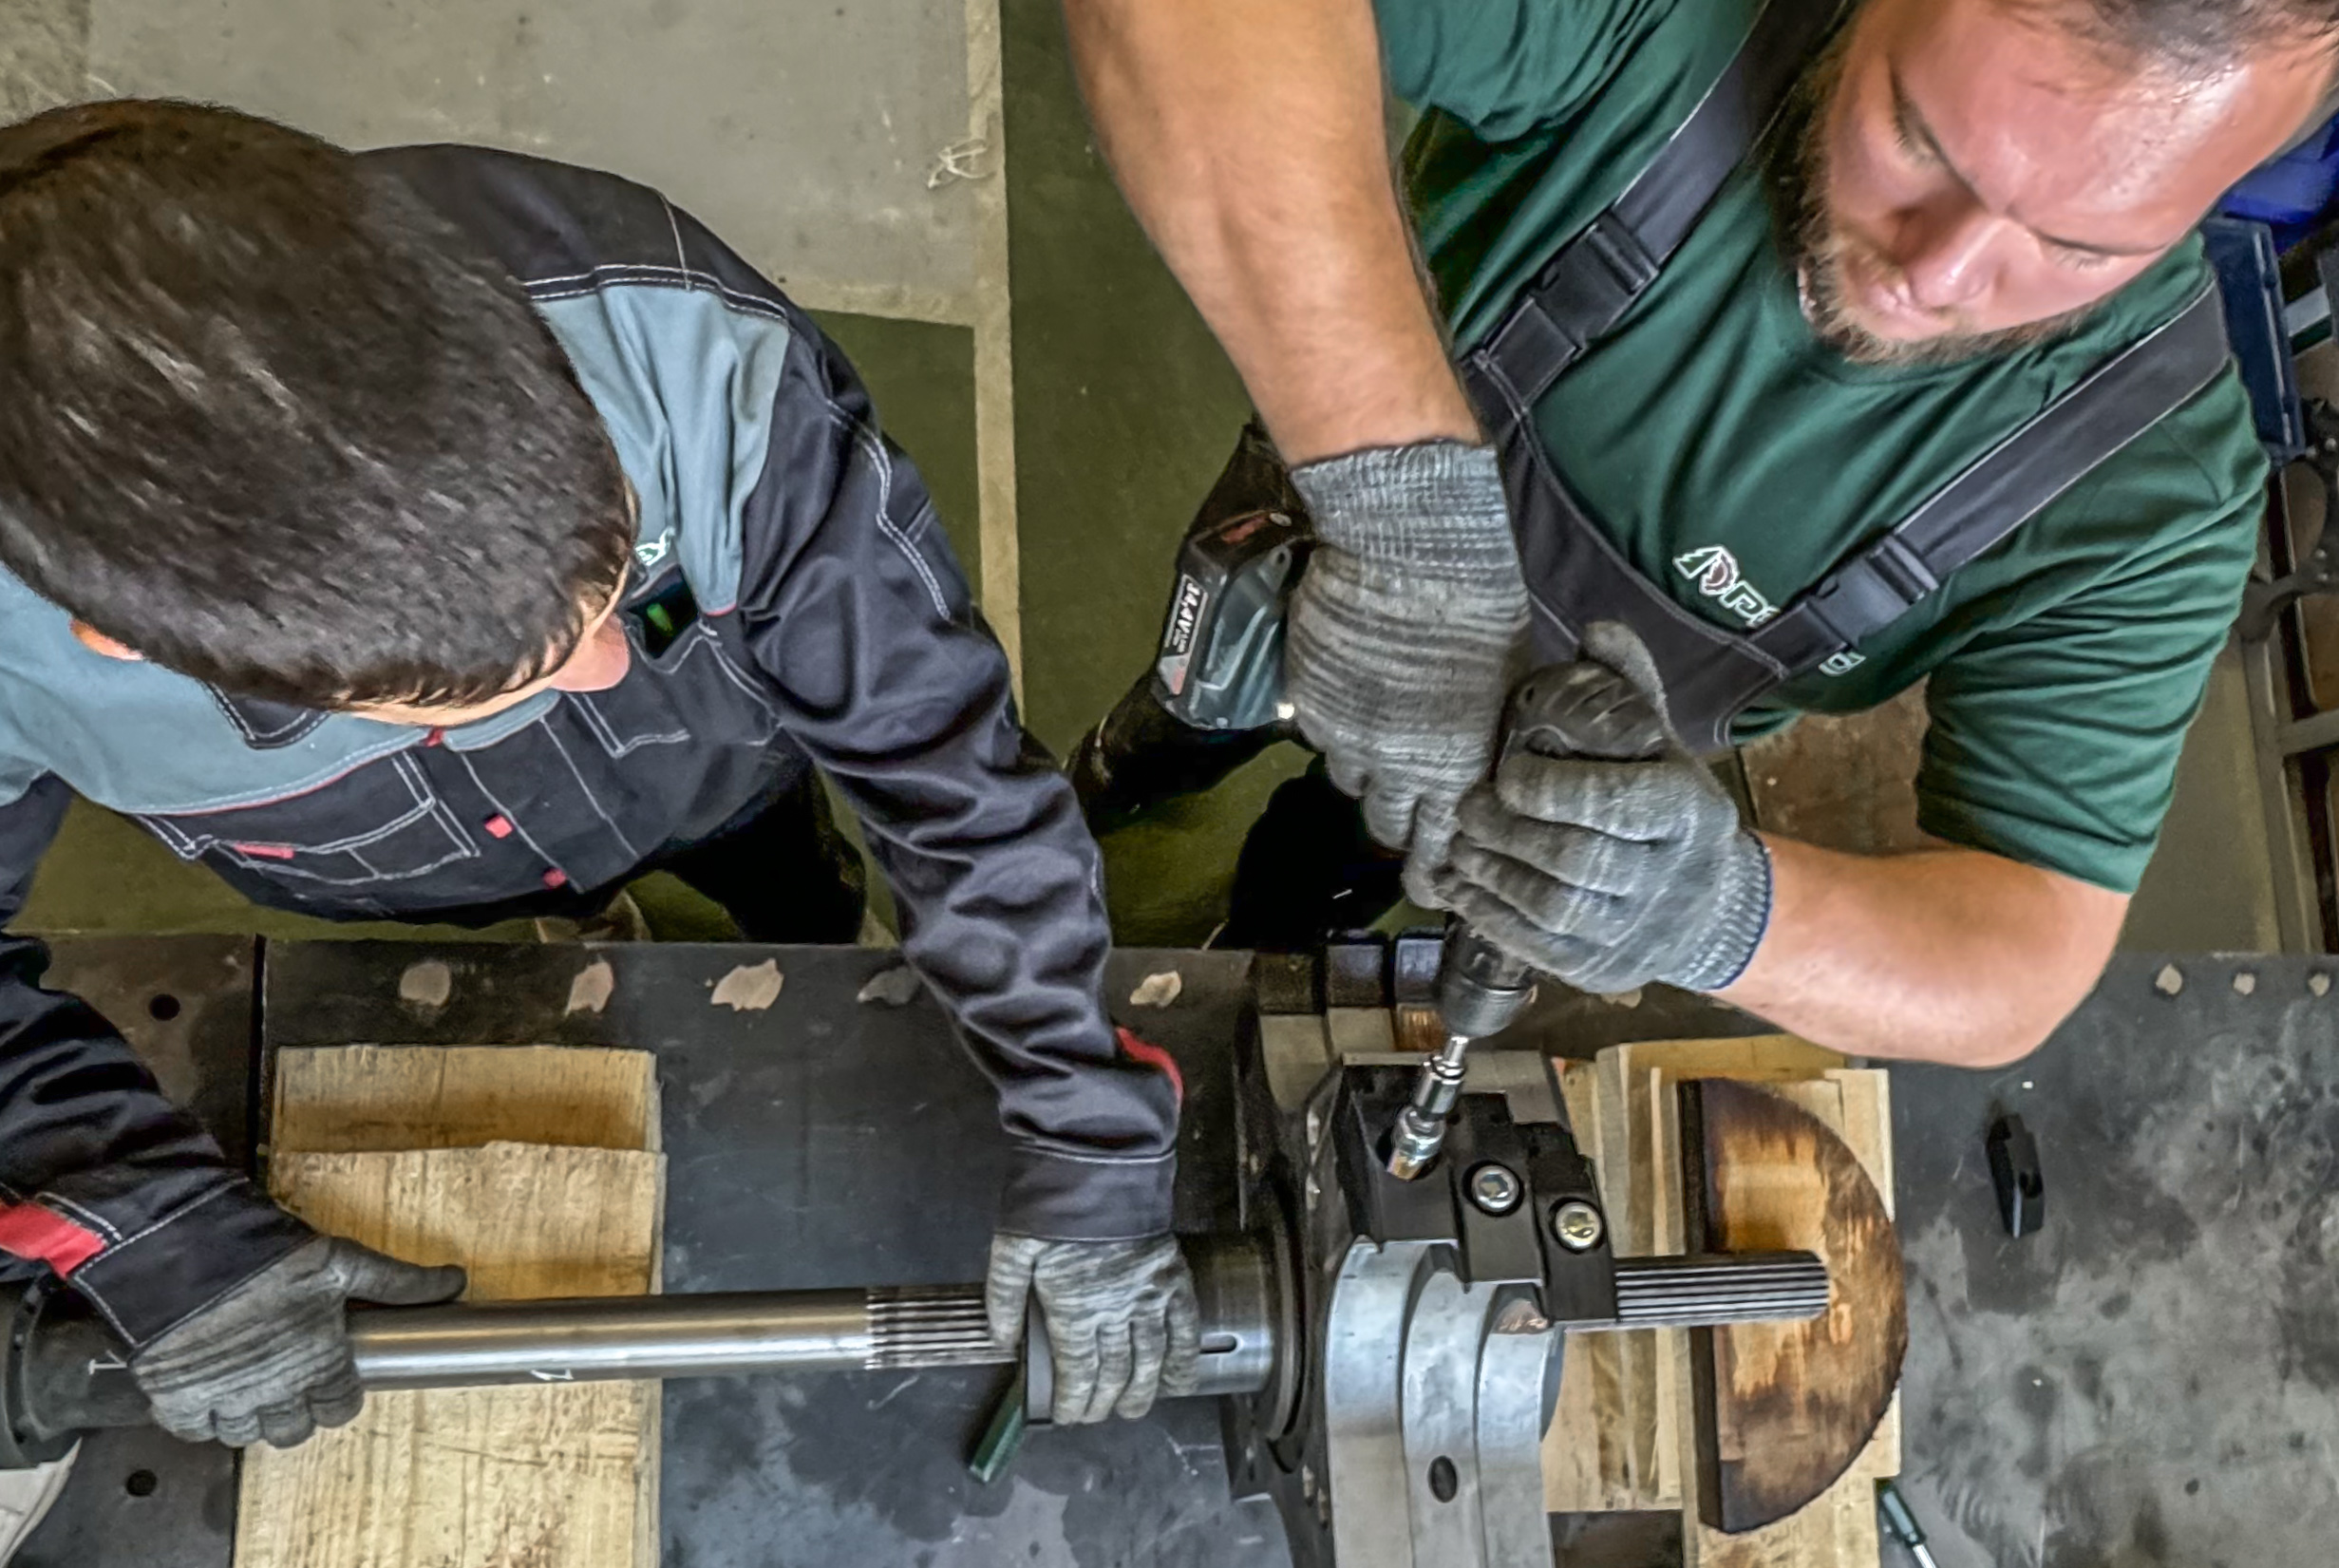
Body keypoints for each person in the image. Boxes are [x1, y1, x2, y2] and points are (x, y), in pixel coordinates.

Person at [0, 100, 1198, 1451]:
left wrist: (1085, 1124)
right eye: (487, 684)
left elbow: (941, 759)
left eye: (620, 573)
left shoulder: (678, 344)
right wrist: (152, 1226)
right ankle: (574, 916)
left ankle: (804, 914)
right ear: (127, 640)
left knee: (789, 875)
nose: (612, 664)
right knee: (524, 910)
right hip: (391, 867)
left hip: (721, 776)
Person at [1064, 0, 2329, 1065]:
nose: (1934, 276)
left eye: (2075, 249)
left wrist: (1716, 913)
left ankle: (1274, 915)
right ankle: (1127, 772)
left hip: (1528, 791)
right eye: (1920, 140)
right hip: (1323, 528)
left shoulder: (2148, 484)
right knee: (1200, 692)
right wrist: (1400, 508)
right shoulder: (1676, 25)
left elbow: (2027, 955)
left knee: (1339, 865)